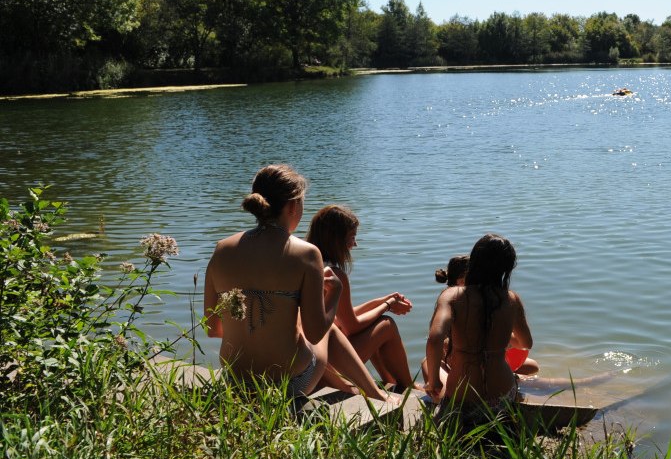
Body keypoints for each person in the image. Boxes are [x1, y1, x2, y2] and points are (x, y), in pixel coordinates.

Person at [203, 164, 397, 405]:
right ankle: (376, 395)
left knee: (294, 324)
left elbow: (213, 329)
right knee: (330, 329)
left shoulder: (222, 249)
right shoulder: (306, 253)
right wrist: (334, 293)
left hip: (235, 379)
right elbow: (316, 334)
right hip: (289, 383)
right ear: (293, 205)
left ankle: (359, 390)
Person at [423, 234, 532, 423]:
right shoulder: (511, 299)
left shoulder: (452, 296)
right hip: (502, 398)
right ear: (507, 268)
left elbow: (434, 338)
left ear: (474, 261)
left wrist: (434, 381)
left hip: (462, 398)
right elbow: (525, 343)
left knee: (427, 364)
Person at [306, 205, 415, 389]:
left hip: (310, 359)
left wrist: (381, 301)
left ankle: (390, 382)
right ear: (336, 240)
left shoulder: (310, 264)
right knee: (386, 325)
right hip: (328, 364)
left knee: (374, 322)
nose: (354, 244)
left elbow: (341, 317)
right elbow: (352, 326)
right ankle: (408, 386)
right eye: (352, 237)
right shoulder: (334, 274)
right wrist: (388, 305)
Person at [421, 254, 538, 385]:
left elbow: (434, 340)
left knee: (532, 366)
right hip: (467, 366)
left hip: (469, 367)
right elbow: (524, 343)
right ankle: (514, 379)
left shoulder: (448, 300)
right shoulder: (462, 302)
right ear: (462, 281)